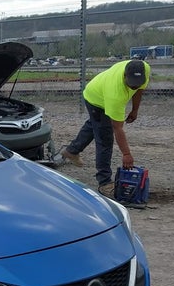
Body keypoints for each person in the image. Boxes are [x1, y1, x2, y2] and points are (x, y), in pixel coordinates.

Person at [59, 59, 150, 197]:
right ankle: (104, 183)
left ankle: (72, 151)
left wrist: (135, 110)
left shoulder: (144, 69)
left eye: (136, 85)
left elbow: (140, 89)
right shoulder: (116, 93)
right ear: (125, 75)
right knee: (105, 139)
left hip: (101, 89)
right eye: (131, 85)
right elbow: (118, 129)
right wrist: (126, 154)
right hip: (95, 99)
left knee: (95, 125)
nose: (134, 88)